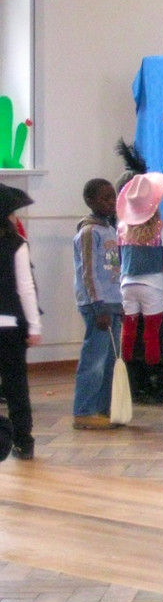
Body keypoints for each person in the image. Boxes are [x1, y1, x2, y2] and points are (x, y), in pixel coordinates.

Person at [117, 172, 163, 404]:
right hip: (153, 286)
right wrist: (162, 281)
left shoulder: (122, 228)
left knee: (128, 333)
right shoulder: (161, 229)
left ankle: (129, 381)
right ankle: (155, 384)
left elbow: (120, 258)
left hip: (126, 285)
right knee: (152, 334)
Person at [71, 178, 123, 430]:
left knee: (111, 360)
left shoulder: (110, 229)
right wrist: (99, 306)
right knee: (94, 360)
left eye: (113, 197)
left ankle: (103, 408)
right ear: (90, 201)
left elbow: (114, 269)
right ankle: (84, 411)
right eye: (105, 198)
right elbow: (89, 273)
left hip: (112, 303)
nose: (111, 202)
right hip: (97, 305)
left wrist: (119, 301)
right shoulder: (89, 232)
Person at [0, 184, 41, 459]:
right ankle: (23, 440)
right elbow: (26, 288)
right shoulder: (17, 244)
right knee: (16, 385)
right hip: (10, 326)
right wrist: (35, 326)